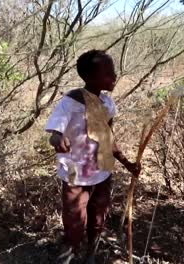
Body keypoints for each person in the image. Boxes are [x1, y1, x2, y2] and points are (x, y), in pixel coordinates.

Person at [45, 49, 141, 264]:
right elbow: (55, 132)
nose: (113, 76)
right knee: (74, 218)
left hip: (102, 169)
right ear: (88, 77)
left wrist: (127, 163)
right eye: (107, 73)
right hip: (74, 171)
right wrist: (58, 140)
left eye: (113, 71)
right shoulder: (71, 101)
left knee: (98, 215)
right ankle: (69, 252)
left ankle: (91, 252)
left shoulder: (107, 103)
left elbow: (109, 138)